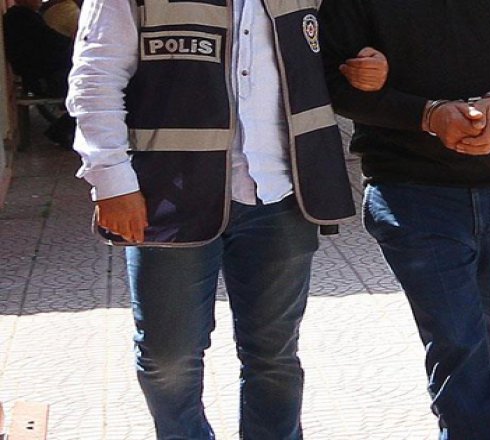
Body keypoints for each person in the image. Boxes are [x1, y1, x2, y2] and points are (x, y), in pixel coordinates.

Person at [66, 0, 383, 437]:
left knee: (274, 355)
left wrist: (367, 64)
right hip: (170, 193)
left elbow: (328, 56)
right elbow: (96, 75)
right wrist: (111, 179)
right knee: (168, 358)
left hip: (280, 193)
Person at [318, 2, 490, 439]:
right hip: (410, 188)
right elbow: (331, 79)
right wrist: (427, 114)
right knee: (455, 338)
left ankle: (471, 417)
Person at [3, 0, 76, 146]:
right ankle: (61, 130)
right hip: (43, 80)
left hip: (39, 77)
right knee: (94, 88)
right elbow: (52, 44)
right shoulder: (22, 19)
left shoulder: (24, 16)